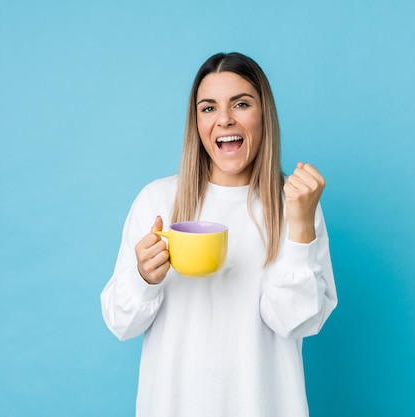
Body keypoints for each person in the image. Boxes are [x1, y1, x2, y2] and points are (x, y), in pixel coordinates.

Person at [100, 52, 337, 417]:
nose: (224, 118)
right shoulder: (158, 200)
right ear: (196, 122)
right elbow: (120, 323)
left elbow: (297, 321)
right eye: (208, 108)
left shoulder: (296, 203)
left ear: (264, 115)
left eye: (241, 104)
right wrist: (143, 278)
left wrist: (301, 225)